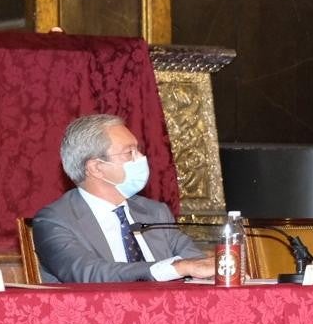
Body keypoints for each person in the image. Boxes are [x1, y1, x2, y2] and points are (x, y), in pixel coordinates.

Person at [32, 114, 214, 283]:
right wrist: (173, 268)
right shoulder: (55, 221)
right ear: (96, 168)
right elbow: (89, 273)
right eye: (129, 152)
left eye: (138, 150)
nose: (141, 158)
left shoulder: (155, 212)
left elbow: (196, 263)